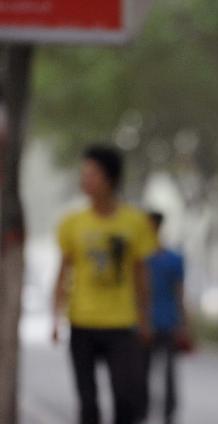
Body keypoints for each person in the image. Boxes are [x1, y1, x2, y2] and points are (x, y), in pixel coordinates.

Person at [52, 145, 156, 424]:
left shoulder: (135, 222)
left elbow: (140, 274)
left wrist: (145, 320)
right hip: (82, 321)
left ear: (110, 178)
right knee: (88, 403)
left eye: (92, 174)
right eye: (83, 174)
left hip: (121, 324)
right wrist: (56, 316)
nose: (84, 180)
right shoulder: (72, 222)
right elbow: (62, 272)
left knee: (126, 398)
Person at [140, 211, 188, 424]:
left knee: (167, 374)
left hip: (166, 323)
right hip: (143, 324)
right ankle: (142, 412)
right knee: (141, 374)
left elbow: (179, 293)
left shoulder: (173, 259)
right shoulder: (138, 259)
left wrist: (184, 325)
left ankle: (168, 415)